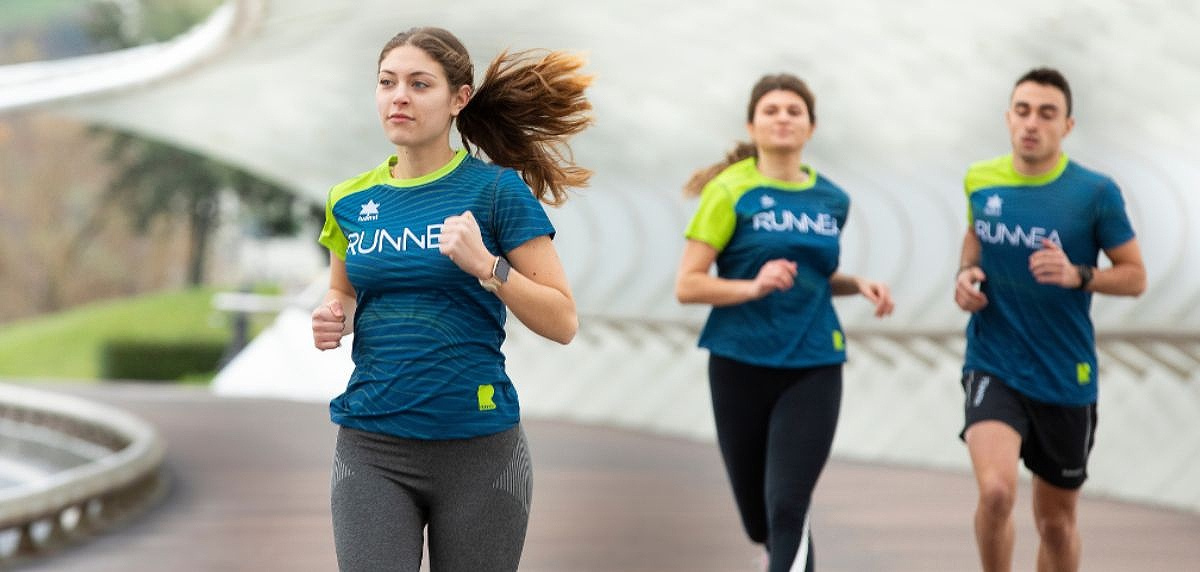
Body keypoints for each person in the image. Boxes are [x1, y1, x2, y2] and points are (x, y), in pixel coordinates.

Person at [310, 26, 592, 572]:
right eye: (387, 82)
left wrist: (488, 266)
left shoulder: (495, 191)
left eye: (420, 84)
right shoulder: (349, 199)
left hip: (479, 448)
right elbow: (343, 288)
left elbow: (563, 320)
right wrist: (334, 316)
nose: (399, 96)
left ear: (458, 99)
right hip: (372, 445)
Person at [675, 73, 894, 572]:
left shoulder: (832, 200)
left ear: (811, 127)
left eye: (794, 111)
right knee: (761, 522)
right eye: (771, 110)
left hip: (814, 362)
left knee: (789, 506)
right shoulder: (729, 191)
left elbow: (813, 274)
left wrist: (855, 283)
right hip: (739, 361)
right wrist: (752, 286)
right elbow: (687, 284)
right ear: (752, 125)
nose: (783, 118)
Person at [954, 67, 1146, 572]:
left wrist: (1079, 274)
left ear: (1068, 125)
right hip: (993, 359)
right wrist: (965, 274)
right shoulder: (980, 178)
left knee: (1056, 524)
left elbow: (1134, 277)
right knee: (995, 493)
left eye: (1046, 113)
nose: (1032, 123)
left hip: (1065, 373)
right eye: (1022, 111)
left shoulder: (1095, 193)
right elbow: (975, 235)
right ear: (1007, 118)